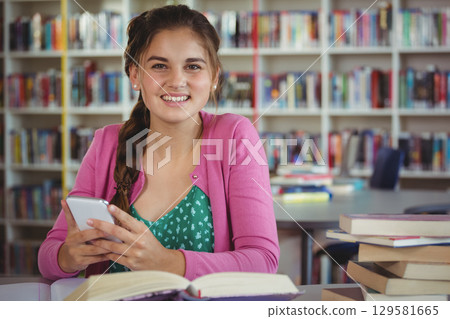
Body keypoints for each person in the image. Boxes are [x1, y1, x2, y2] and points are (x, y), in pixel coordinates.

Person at [38, 5, 279, 281]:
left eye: (192, 66)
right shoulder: (107, 142)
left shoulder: (236, 135)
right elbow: (48, 255)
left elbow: (263, 261)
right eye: (159, 66)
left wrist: (168, 262)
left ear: (214, 77)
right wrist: (68, 257)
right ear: (135, 76)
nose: (176, 81)